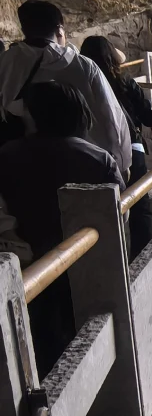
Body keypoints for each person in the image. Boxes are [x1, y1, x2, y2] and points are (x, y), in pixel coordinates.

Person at [0, 82, 124, 372]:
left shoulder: (6, 156)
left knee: (40, 343)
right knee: (87, 335)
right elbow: (121, 213)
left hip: (28, 266)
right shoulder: (97, 158)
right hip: (88, 265)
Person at [0, 0, 130, 177]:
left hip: (23, 164)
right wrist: (122, 161)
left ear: (24, 28)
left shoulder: (7, 62)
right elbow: (111, 116)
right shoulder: (82, 65)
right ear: (59, 28)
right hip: (84, 161)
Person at [80, 36, 152, 256]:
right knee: (140, 205)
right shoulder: (123, 79)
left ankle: (110, 261)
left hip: (93, 151)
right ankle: (143, 257)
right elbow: (147, 114)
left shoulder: (81, 82)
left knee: (103, 210)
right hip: (131, 148)